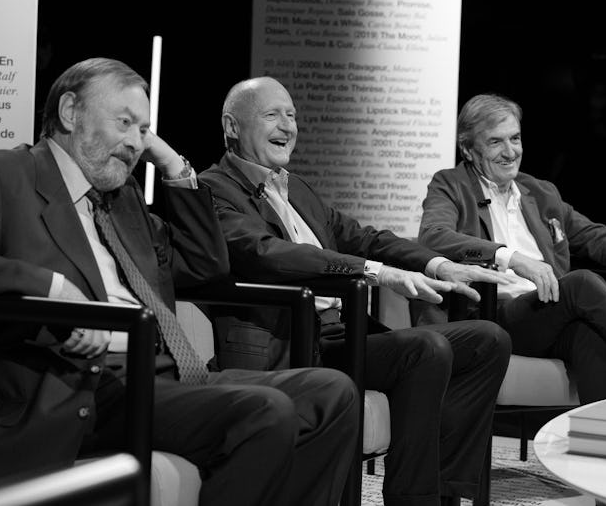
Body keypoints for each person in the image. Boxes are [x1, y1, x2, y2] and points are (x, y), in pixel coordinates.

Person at [0, 59, 360, 506]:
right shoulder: (3, 175)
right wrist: (51, 288)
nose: (136, 143)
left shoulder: (122, 197)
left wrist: (176, 169)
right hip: (81, 384)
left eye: (143, 130)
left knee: (333, 393)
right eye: (125, 123)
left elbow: (204, 267)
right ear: (69, 112)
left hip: (161, 374)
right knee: (264, 413)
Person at [198, 76, 513, 506]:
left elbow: (364, 237)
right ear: (232, 126)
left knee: (488, 340)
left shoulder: (296, 188)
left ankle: (445, 491)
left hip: (340, 335)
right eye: (272, 115)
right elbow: (267, 253)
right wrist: (375, 273)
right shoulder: (213, 189)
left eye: (292, 115)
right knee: (427, 349)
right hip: (290, 340)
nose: (288, 126)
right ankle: (414, 499)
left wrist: (437, 263)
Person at [418, 92, 606, 402]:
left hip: (544, 313)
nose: (510, 152)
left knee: (588, 333)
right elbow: (434, 235)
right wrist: (511, 257)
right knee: (581, 284)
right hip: (489, 317)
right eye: (495, 142)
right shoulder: (450, 184)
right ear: (468, 149)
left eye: (515, 138)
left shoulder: (539, 191)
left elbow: (591, 234)